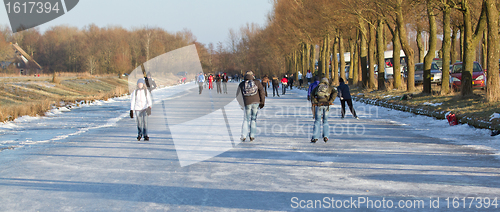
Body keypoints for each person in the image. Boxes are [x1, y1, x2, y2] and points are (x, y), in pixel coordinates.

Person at [236, 71, 265, 142]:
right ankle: (252, 136)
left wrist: (242, 104)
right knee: (253, 119)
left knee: (246, 119)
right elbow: (262, 92)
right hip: (256, 102)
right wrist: (262, 102)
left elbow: (238, 95)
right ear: (252, 75)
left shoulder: (242, 84)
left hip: (247, 102)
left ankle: (244, 136)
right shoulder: (257, 82)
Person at [310, 78, 337, 143]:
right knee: (325, 120)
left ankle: (315, 137)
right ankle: (326, 136)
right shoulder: (330, 88)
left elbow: (312, 94)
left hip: (319, 105)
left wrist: (316, 102)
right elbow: (335, 93)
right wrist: (330, 101)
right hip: (327, 105)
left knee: (317, 120)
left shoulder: (317, 88)